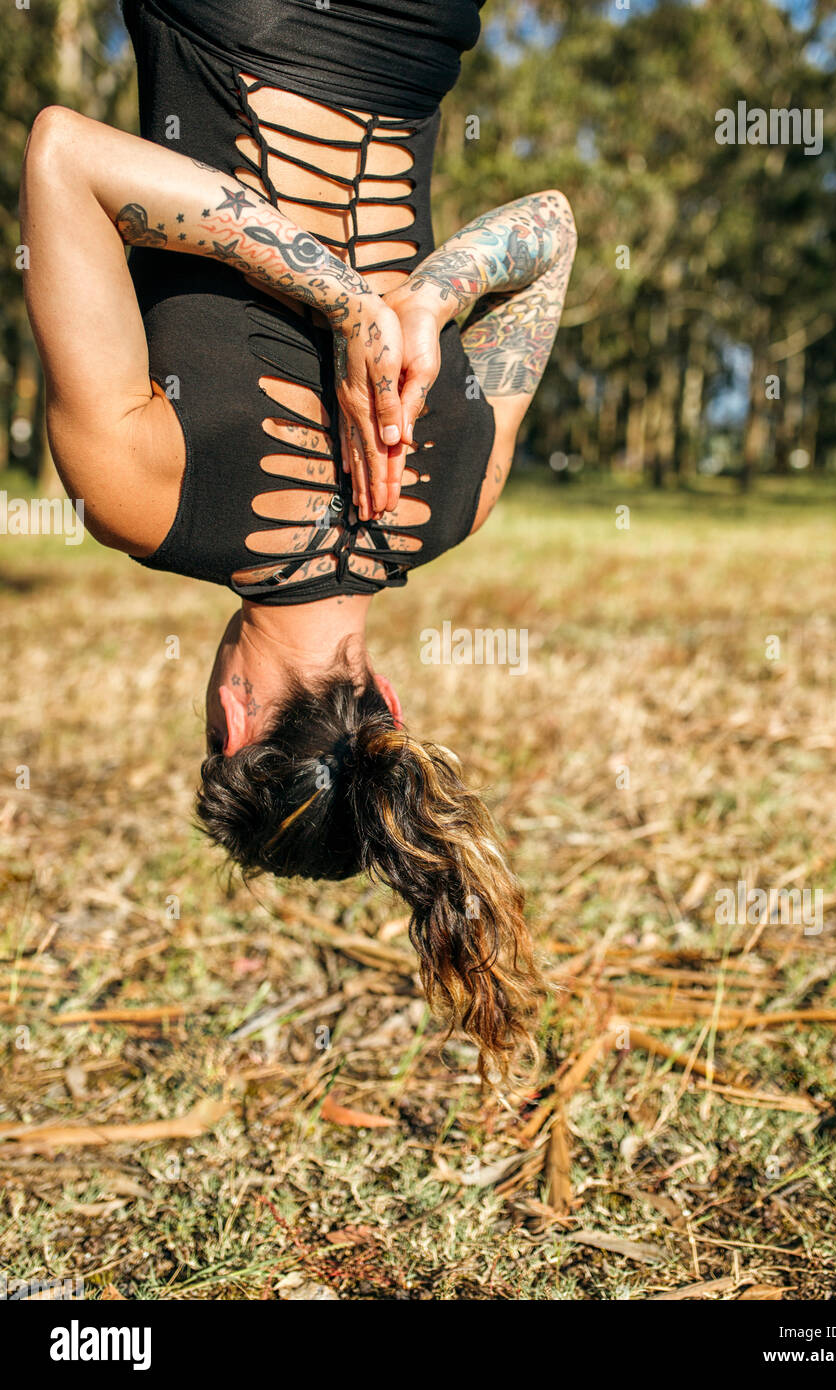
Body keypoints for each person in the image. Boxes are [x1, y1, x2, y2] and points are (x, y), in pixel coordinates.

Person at [19, 0, 576, 1080]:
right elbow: (63, 152)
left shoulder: (466, 493)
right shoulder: (144, 502)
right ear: (230, 721)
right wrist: (333, 293)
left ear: (392, 708)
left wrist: (424, 300)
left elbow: (548, 232)